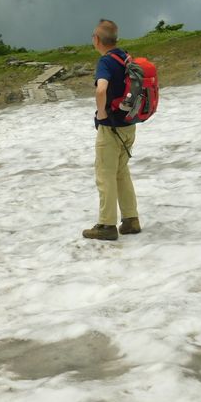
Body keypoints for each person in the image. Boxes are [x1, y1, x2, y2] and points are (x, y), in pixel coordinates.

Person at [83, 19, 142, 241]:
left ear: (96, 40)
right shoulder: (125, 56)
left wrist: (102, 114)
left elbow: (101, 90)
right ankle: (131, 220)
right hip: (129, 125)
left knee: (104, 174)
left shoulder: (105, 62)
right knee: (121, 172)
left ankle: (107, 225)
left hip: (111, 129)